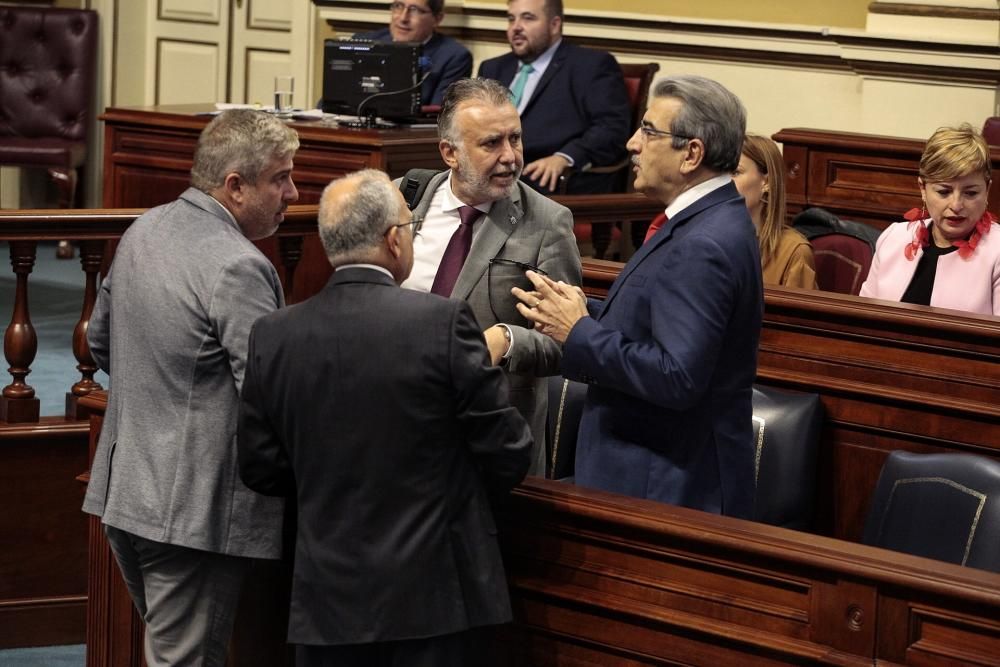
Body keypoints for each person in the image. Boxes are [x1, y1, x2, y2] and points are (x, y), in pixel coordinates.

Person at [237, 169, 532, 667]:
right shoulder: (440, 323)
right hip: (435, 598)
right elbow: (507, 450)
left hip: (326, 598)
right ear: (395, 240)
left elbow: (260, 467)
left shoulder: (274, 334)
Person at [83, 109, 300, 666]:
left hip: (127, 493)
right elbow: (267, 393)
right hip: (191, 515)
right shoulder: (238, 265)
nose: (293, 193)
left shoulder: (144, 228)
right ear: (234, 186)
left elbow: (102, 346)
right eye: (280, 178)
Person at [514, 75, 763, 518]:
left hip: (664, 486)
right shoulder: (709, 220)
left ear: (691, 153)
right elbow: (655, 323)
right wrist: (575, 310)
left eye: (648, 131)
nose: (632, 143)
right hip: (653, 476)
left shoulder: (702, 242)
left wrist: (580, 331)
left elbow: (677, 376)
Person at [400, 77, 581, 476]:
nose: (510, 157)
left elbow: (566, 343)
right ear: (450, 152)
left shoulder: (547, 222)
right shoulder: (402, 199)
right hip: (398, 424)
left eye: (514, 139)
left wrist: (508, 339)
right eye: (491, 143)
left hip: (488, 443)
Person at [477, 0, 631, 194]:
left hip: (545, 176)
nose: (516, 27)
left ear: (554, 25)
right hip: (491, 167)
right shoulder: (493, 68)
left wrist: (564, 157)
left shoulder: (590, 66)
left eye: (528, 18)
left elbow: (611, 128)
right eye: (511, 19)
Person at [860, 124, 999, 315]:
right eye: (944, 191)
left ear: (987, 191)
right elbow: (862, 318)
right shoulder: (894, 237)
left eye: (971, 193)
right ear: (923, 189)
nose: (956, 205)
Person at [733, 133, 817, 289]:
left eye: (735, 172)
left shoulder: (794, 251)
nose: (723, 183)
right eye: (719, 173)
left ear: (766, 182)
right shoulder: (705, 238)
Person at [353, 0, 472, 106]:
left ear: (437, 19)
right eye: (398, 6)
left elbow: (439, 116)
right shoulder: (363, 43)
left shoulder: (454, 57)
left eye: (415, 10)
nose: (403, 18)